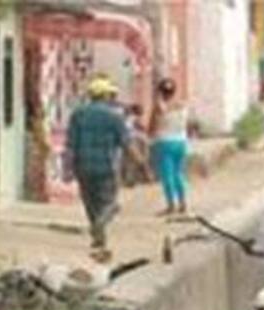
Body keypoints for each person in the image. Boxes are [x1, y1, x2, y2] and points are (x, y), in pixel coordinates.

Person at [66, 76, 139, 262]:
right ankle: (100, 226)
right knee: (110, 204)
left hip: (83, 166)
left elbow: (71, 145)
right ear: (105, 96)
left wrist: (68, 168)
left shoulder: (78, 114)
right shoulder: (115, 117)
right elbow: (126, 144)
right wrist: (141, 163)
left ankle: (99, 240)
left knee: (90, 203)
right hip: (106, 166)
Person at [149, 78, 190, 216]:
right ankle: (183, 203)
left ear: (161, 92)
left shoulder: (160, 107)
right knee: (179, 173)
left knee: (168, 175)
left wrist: (150, 136)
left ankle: (171, 205)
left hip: (165, 142)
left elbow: (152, 126)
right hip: (181, 142)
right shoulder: (183, 105)